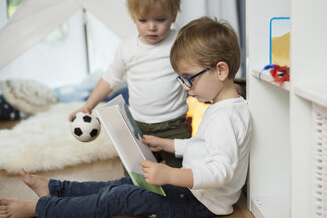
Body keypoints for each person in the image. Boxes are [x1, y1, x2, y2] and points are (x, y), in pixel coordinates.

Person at [0, 17, 251, 218]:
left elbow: (220, 172)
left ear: (220, 70)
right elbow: (203, 147)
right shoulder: (223, 107)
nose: (185, 87)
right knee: (125, 183)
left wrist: (168, 175)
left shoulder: (226, 117)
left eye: (188, 78)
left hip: (199, 205)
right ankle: (55, 189)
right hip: (193, 193)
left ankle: (40, 209)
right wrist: (167, 144)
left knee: (120, 196)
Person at [69, 0, 189, 168]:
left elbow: (201, 66)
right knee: (136, 172)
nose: (151, 27)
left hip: (174, 124)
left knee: (182, 170)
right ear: (134, 18)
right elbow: (110, 78)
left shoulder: (181, 42)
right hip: (138, 124)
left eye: (160, 20)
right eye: (143, 20)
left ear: (174, 15)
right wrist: (88, 105)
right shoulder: (127, 48)